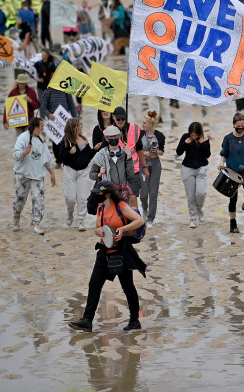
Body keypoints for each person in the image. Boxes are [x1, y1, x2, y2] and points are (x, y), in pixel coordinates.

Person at [68, 180, 146, 332]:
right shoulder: (101, 207)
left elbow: (139, 221)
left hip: (121, 253)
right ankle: (87, 321)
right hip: (104, 252)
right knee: (94, 284)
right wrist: (98, 232)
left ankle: (135, 320)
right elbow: (97, 228)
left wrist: (122, 229)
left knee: (128, 287)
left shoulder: (121, 206)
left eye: (99, 192)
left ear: (108, 193)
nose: (96, 194)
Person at [12, 117, 57, 234]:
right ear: (35, 127)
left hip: (37, 176)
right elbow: (15, 154)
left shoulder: (41, 142)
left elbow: (47, 160)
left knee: (39, 200)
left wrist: (52, 174)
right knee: (19, 200)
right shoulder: (22, 137)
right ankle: (16, 217)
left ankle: (36, 223)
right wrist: (24, 152)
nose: (43, 128)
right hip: (22, 174)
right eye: (41, 126)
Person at [220, 113, 244, 234]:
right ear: (233, 125)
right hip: (232, 172)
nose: (240, 129)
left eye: (242, 126)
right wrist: (221, 163)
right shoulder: (228, 138)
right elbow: (224, 154)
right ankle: (233, 223)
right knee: (233, 199)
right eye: (238, 126)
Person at [89, 125, 140, 204]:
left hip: (123, 192)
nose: (113, 138)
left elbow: (130, 175)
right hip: (107, 193)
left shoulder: (125, 153)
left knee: (123, 215)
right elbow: (91, 175)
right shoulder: (100, 155)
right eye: (111, 137)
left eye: (115, 136)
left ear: (119, 136)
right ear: (106, 138)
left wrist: (129, 157)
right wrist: (99, 174)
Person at [59, 118, 94, 231]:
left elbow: (89, 156)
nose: (80, 127)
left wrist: (95, 150)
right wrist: (70, 153)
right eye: (77, 126)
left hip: (84, 171)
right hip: (70, 170)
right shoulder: (65, 141)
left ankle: (81, 220)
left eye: (80, 125)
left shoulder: (84, 139)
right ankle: (70, 212)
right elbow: (60, 158)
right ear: (72, 128)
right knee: (71, 198)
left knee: (83, 198)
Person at [177, 122, 211, 228]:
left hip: (201, 168)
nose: (193, 137)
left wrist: (202, 144)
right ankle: (193, 219)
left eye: (195, 135)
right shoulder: (185, 137)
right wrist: (185, 143)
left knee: (201, 193)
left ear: (199, 133)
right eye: (192, 135)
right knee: (190, 196)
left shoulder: (204, 138)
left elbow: (207, 155)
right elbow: (178, 152)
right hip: (187, 168)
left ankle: (199, 209)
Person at [112, 106, 147, 206]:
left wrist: (144, 167)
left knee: (133, 197)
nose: (121, 121)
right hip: (116, 171)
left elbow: (139, 149)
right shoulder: (108, 132)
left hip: (133, 170)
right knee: (119, 201)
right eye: (118, 119)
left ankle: (136, 220)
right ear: (113, 117)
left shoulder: (135, 129)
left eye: (123, 119)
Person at [40, 84, 78, 167]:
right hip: (53, 122)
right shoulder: (48, 91)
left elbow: (71, 106)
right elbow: (43, 107)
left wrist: (76, 119)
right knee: (55, 143)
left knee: (64, 141)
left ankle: (64, 160)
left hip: (65, 121)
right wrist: (49, 114)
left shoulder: (66, 90)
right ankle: (58, 160)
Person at [138, 111, 164, 226]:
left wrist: (156, 152)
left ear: (150, 124)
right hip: (143, 163)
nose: (142, 125)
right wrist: (147, 153)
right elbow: (136, 150)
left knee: (153, 193)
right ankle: (144, 208)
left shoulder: (160, 136)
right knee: (143, 193)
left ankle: (150, 219)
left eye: (144, 123)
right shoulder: (139, 134)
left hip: (156, 164)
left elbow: (162, 152)